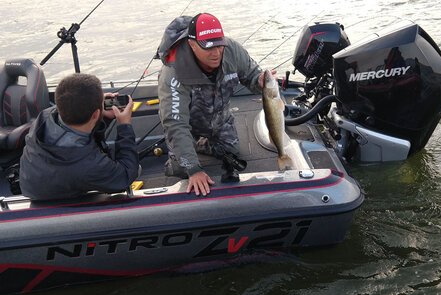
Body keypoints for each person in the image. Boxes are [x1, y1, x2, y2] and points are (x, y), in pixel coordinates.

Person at [157, 13, 272, 196]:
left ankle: (201, 144)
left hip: (220, 119)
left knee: (233, 152)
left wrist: (259, 81)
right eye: (208, 47)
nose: (216, 53)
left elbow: (250, 75)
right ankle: (179, 156)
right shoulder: (173, 71)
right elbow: (175, 123)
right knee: (183, 167)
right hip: (188, 125)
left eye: (219, 45)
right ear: (192, 45)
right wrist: (193, 170)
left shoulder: (232, 49)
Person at [19, 73, 139, 201]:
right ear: (95, 114)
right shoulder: (90, 165)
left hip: (35, 186)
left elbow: (77, 117)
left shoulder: (44, 117)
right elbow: (125, 176)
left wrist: (100, 113)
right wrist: (124, 126)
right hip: (62, 205)